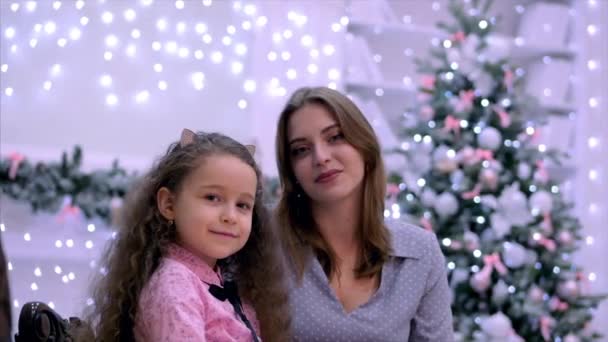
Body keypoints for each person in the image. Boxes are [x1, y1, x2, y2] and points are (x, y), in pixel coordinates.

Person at [274, 86, 454, 341]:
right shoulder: (265, 247)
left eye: (335, 137)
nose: (321, 157)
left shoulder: (420, 252)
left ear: (365, 147)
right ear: (292, 171)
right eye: (301, 150)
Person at [89, 129, 290, 341]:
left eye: (243, 205)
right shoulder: (175, 286)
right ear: (168, 204)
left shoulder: (222, 278)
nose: (230, 216)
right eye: (212, 197)